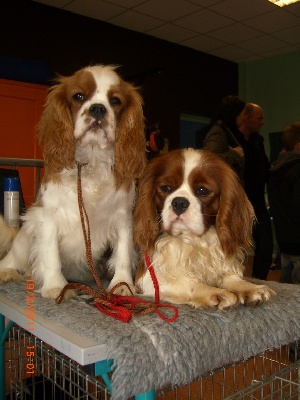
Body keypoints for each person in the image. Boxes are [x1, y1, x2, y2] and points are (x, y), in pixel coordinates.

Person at [234, 103, 273, 280]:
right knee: (234, 244)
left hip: (257, 201)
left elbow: (265, 169)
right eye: (260, 118)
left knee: (265, 245)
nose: (263, 122)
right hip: (238, 201)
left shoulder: (258, 142)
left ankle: (259, 280)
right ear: (246, 117)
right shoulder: (231, 140)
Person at [268, 122, 300, 283]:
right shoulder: (297, 169)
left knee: (285, 286)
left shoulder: (275, 169)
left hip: (283, 237)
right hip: (297, 237)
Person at [196, 95, 245, 183]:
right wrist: (235, 154)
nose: (244, 118)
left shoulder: (226, 130)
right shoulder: (218, 132)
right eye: (242, 114)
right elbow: (209, 159)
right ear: (235, 114)